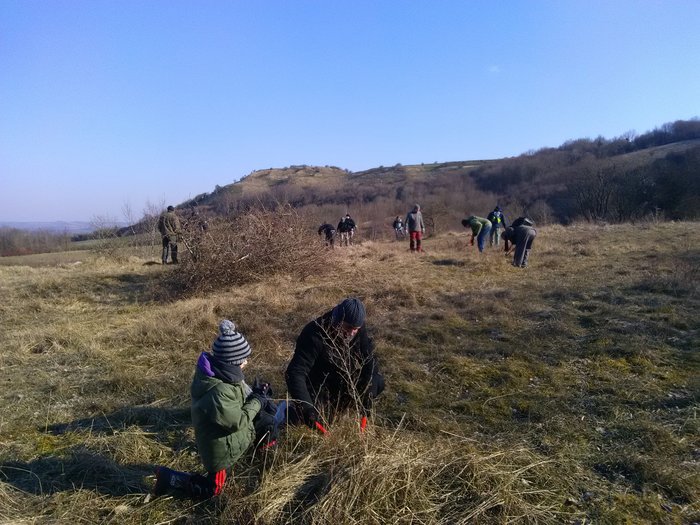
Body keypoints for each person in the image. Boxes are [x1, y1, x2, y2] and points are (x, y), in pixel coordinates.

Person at [153, 320, 277, 498]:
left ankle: (261, 459)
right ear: (232, 362)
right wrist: (257, 400)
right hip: (220, 451)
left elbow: (237, 401)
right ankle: (169, 479)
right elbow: (237, 421)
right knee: (213, 490)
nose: (247, 362)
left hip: (232, 438)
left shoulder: (224, 375)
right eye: (243, 359)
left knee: (268, 423)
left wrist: (257, 394)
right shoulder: (217, 390)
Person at [285, 298, 385, 428]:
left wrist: (369, 388)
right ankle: (290, 412)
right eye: (348, 327)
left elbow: (369, 359)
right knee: (315, 419)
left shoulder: (357, 330)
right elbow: (295, 373)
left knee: (378, 382)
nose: (351, 333)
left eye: (356, 329)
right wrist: (306, 407)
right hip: (319, 386)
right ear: (337, 319)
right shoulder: (314, 334)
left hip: (344, 380)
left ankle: (347, 408)